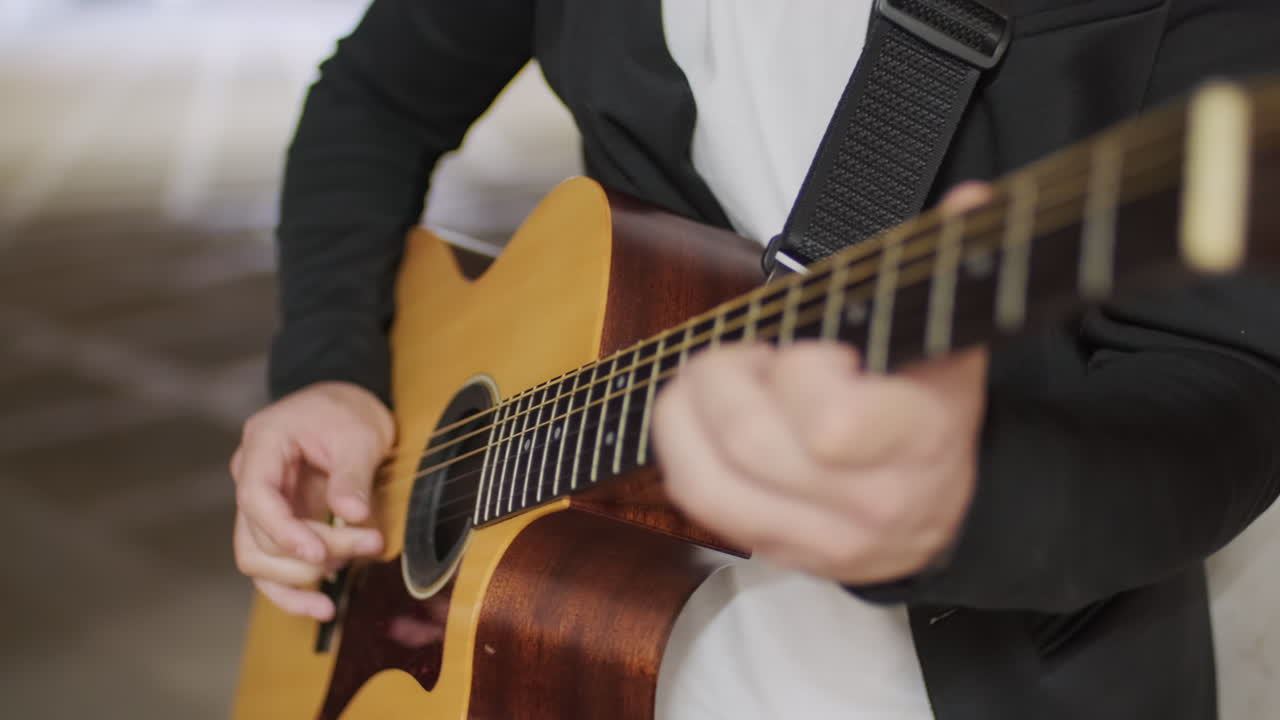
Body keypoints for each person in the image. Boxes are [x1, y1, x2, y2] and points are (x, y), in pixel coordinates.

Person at [230, 1, 1280, 718]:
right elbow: (375, 96)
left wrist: (972, 503)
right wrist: (329, 366)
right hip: (586, 663)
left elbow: (1227, 382)